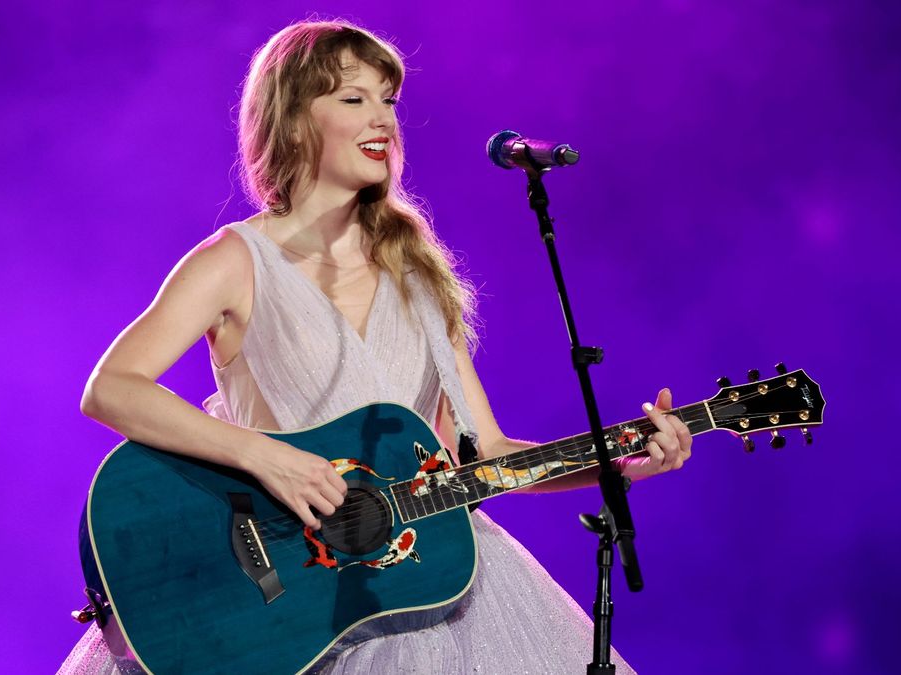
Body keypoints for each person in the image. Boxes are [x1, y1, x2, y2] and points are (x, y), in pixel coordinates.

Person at [58, 19, 691, 675]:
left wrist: (617, 464)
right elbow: (112, 388)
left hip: (422, 588)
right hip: (282, 600)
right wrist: (266, 456)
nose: (384, 118)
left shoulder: (419, 274)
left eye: (388, 99)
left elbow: (487, 453)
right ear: (296, 119)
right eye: (354, 98)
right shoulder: (234, 262)